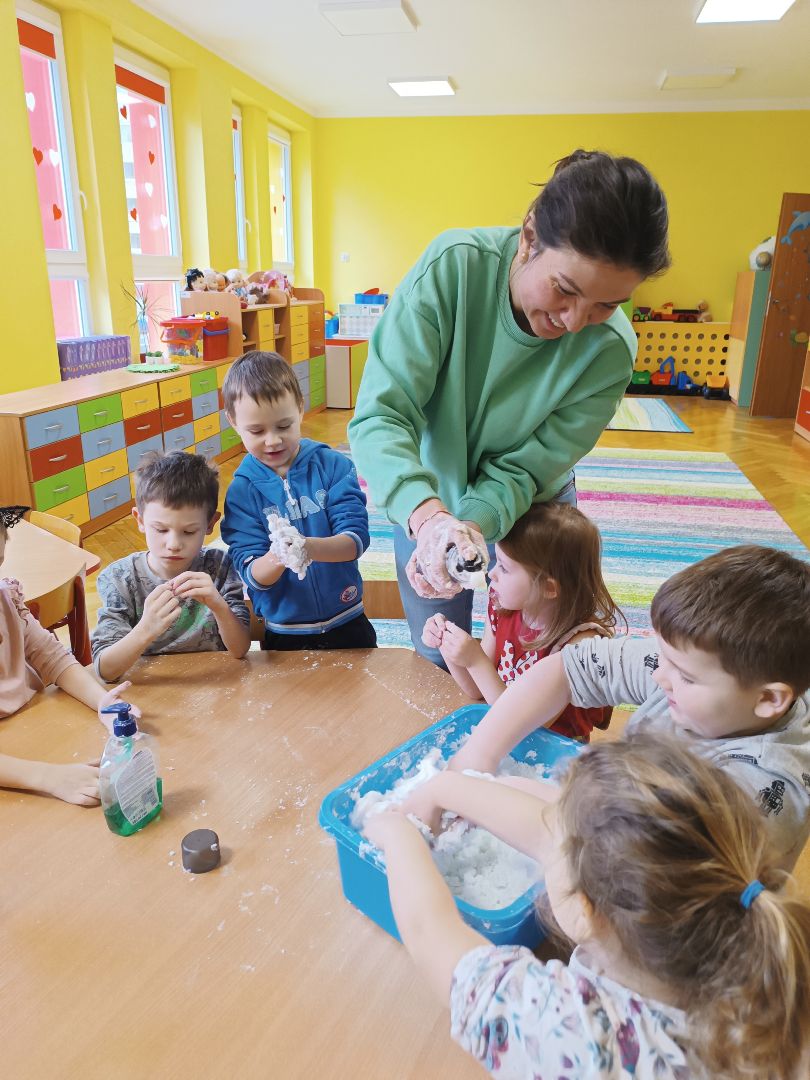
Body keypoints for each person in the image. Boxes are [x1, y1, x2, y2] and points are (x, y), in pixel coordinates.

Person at [348, 149, 670, 665]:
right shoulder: (454, 269)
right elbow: (383, 414)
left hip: (530, 501)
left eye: (607, 305)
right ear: (529, 236)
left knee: (541, 658)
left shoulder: (609, 352)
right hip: (425, 492)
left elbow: (525, 469)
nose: (574, 322)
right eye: (564, 289)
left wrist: (473, 522)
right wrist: (430, 520)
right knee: (438, 652)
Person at [366, 735, 810, 1079]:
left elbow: (429, 931)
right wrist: (444, 788)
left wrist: (398, 833)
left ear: (584, 910)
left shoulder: (578, 1036)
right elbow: (546, 831)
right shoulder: (769, 951)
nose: (547, 837)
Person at [432, 545, 810, 869]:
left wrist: (491, 795)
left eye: (684, 676)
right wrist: (475, 760)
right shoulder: (693, 664)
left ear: (768, 699)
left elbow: (640, 855)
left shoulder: (761, 793)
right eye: (662, 657)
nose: (659, 676)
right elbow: (568, 668)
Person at [422, 502, 620, 739]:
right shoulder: (504, 608)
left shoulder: (579, 645)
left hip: (555, 750)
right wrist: (448, 646)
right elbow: (477, 690)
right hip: (505, 731)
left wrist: (475, 660)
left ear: (549, 588)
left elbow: (526, 728)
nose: (491, 574)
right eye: (496, 562)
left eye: (504, 568)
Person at [220, 351, 376, 650]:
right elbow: (252, 575)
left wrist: (306, 547)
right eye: (257, 431)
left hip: (347, 618)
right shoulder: (242, 492)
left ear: (301, 408)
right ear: (233, 422)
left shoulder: (332, 466)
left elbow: (355, 540)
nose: (273, 440)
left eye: (283, 426)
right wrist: (280, 555)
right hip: (285, 632)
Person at [0, 506, 137, 805]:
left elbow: (54, 659)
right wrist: (47, 777)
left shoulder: (5, 598)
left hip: (37, 727)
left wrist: (101, 701)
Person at [91, 451, 250, 682]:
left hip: (214, 684)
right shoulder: (119, 578)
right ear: (140, 520)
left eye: (189, 531)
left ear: (210, 524)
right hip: (152, 688)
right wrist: (146, 629)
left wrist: (219, 606)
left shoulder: (220, 566)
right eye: (161, 529)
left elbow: (240, 650)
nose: (174, 544)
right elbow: (106, 671)